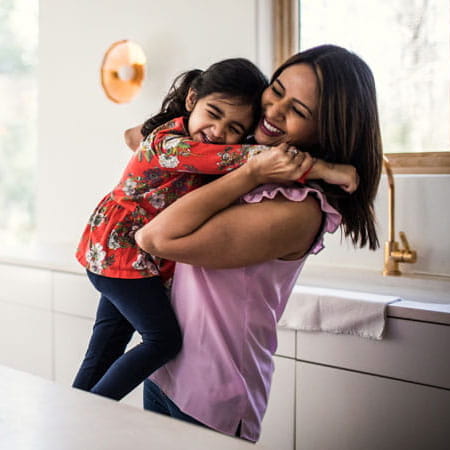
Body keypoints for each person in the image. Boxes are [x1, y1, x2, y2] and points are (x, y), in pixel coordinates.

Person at [134, 44, 383, 442]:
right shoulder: (247, 161)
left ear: (328, 130)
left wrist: (251, 174)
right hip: (166, 371)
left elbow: (155, 237)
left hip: (212, 393)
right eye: (277, 89)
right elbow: (140, 141)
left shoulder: (297, 209)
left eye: (298, 111)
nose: (273, 110)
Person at [73, 57, 355, 401]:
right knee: (161, 340)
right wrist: (325, 169)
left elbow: (231, 155)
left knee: (107, 343)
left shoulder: (186, 138)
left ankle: (80, 406)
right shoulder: (174, 144)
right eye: (214, 114)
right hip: (121, 252)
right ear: (192, 100)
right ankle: (92, 411)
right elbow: (239, 159)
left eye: (235, 128)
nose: (220, 133)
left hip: (122, 256)